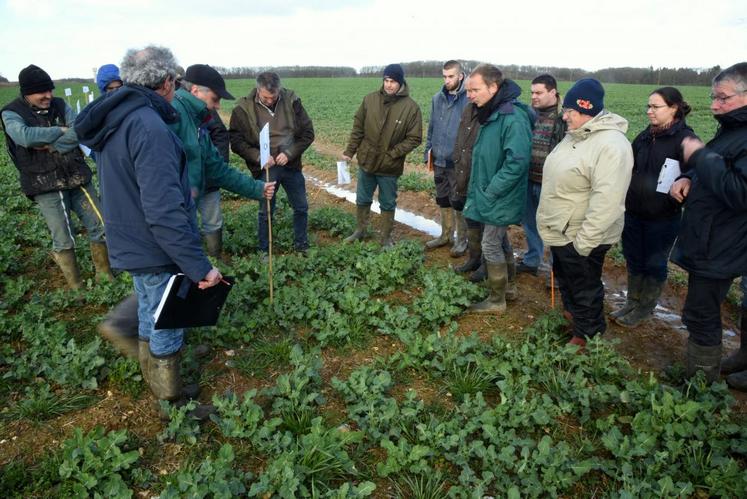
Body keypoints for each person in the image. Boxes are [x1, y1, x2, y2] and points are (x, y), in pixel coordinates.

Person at [74, 46, 220, 417]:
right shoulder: (149, 126)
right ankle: (171, 403)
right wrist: (199, 267)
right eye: (176, 79)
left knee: (148, 314)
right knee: (167, 319)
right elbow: (164, 212)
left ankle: (153, 379)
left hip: (130, 238)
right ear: (168, 81)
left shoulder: (119, 117)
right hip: (153, 244)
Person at [537, 78, 633, 348]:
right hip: (563, 229)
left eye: (570, 111)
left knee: (584, 285)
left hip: (583, 235)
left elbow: (608, 201)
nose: (564, 116)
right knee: (567, 278)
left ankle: (588, 333)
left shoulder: (611, 145)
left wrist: (584, 244)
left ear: (586, 109)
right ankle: (575, 317)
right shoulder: (575, 135)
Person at [669, 62, 747, 386]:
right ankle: (735, 362)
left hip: (722, 244)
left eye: (723, 98)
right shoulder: (731, 129)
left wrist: (700, 157)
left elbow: (740, 192)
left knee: (701, 314)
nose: (714, 106)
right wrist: (689, 177)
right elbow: (721, 171)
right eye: (713, 97)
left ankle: (700, 390)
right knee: (701, 310)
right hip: (712, 238)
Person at [1, 64, 112, 290]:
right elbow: (24, 137)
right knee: (63, 237)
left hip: (76, 175)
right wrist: (60, 130)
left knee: (101, 224)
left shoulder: (60, 104)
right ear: (26, 93)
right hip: (43, 183)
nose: (49, 96)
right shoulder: (11, 112)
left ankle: (105, 276)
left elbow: (78, 129)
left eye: (50, 90)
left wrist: (54, 145)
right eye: (42, 92)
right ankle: (77, 287)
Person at [612, 87, 697, 327]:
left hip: (662, 217)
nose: (649, 111)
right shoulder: (646, 136)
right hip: (634, 212)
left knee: (654, 263)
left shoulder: (686, 140)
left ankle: (645, 308)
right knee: (634, 258)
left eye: (655, 107)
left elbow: (697, 170)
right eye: (648, 106)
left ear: (674, 108)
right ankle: (632, 302)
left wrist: (688, 178)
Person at [173, 64, 275, 259]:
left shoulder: (196, 121)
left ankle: (211, 262)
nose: (218, 106)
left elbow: (217, 169)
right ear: (195, 91)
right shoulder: (173, 116)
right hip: (171, 213)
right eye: (215, 98)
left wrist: (257, 188)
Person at [462, 64, 533, 313]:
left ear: (493, 87)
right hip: (492, 191)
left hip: (500, 194)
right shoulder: (491, 112)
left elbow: (517, 161)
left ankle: (496, 300)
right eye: (468, 90)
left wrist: (492, 189)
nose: (469, 95)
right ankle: (509, 287)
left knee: (490, 243)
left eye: (474, 89)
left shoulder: (512, 118)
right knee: (500, 240)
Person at [230, 71, 314, 254]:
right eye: (266, 97)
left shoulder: (292, 101)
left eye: (274, 96)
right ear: (258, 90)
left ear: (279, 90)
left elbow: (308, 133)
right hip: (266, 167)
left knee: (301, 207)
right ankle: (264, 250)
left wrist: (290, 153)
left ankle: (301, 245)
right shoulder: (243, 108)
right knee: (266, 210)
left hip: (290, 165)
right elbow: (236, 141)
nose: (270, 100)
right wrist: (258, 156)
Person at [342, 64, 423, 247]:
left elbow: (414, 138)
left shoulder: (411, 108)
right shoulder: (370, 100)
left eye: (393, 81)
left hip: (389, 165)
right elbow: (358, 128)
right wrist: (349, 151)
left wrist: (393, 154)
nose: (388, 85)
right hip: (367, 161)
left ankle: (386, 238)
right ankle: (360, 230)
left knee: (387, 203)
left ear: (400, 82)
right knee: (362, 198)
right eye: (386, 80)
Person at [518, 74, 566, 279]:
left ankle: (558, 272)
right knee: (530, 223)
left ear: (553, 92)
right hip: (529, 180)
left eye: (538, 92)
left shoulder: (565, 117)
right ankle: (532, 260)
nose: (534, 97)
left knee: (555, 228)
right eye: (532, 92)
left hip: (552, 185)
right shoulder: (529, 114)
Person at [423, 60, 469, 252]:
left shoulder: (469, 99)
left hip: (458, 162)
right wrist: (428, 151)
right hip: (439, 159)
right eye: (444, 76)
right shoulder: (437, 99)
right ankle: (446, 235)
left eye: (451, 76)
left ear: (460, 76)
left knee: (458, 201)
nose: (447, 80)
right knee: (443, 199)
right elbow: (432, 127)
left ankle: (462, 241)